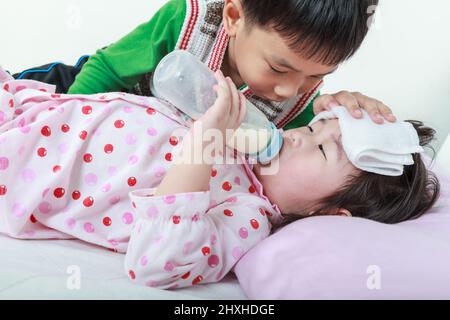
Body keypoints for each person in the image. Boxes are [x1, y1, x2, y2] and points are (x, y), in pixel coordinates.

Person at [0, 67, 439, 289]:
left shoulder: (250, 214)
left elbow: (158, 262)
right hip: (30, 103)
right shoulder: (249, 144)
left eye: (323, 148)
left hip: (18, 163)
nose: (300, 137)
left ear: (328, 213)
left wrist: (203, 141)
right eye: (310, 128)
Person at [14, 0, 396, 131]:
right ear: (233, 17)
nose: (289, 90)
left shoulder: (298, 104)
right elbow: (105, 70)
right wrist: (63, 127)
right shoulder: (189, 20)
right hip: (89, 91)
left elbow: (300, 150)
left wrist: (337, 115)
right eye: (279, 69)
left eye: (316, 76)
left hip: (143, 138)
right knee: (17, 101)